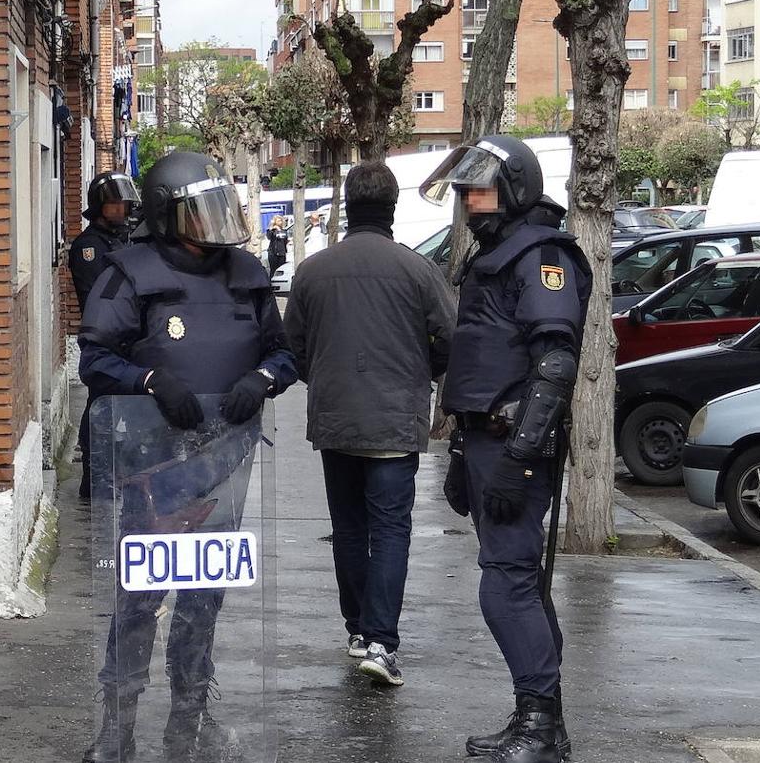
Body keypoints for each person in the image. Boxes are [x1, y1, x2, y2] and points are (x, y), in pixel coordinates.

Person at [77, 150, 297, 762]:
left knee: (204, 599)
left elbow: (284, 355)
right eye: (200, 212)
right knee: (141, 598)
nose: (214, 223)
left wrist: (264, 378)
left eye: (219, 208)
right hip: (154, 465)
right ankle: (116, 726)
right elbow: (96, 359)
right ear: (169, 217)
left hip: (226, 462)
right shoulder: (130, 273)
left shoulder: (248, 274)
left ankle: (189, 721)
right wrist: (150, 382)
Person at [422, 135, 591, 763]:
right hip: (484, 438)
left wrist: (520, 459)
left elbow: (554, 365)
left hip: (514, 444)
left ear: (517, 186)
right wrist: (464, 452)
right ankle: (540, 721)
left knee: (508, 585)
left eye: (481, 187)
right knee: (518, 582)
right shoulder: (495, 252)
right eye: (464, 189)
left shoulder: (540, 253)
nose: (470, 199)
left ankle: (540, 728)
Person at [283, 161, 456, 686]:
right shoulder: (419, 271)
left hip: (336, 420)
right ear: (392, 208)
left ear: (347, 205)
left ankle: (358, 629)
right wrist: (420, 373)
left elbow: (294, 348)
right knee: (390, 529)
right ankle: (381, 641)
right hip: (395, 418)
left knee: (350, 529)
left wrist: (327, 379)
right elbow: (450, 338)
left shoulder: (313, 271)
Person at [69, 172, 141, 499]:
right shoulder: (89, 246)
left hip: (133, 339)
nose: (122, 207)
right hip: (106, 338)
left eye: (124, 201)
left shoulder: (127, 239)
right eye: (115, 202)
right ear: (100, 206)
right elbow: (102, 293)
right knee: (100, 406)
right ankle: (93, 475)